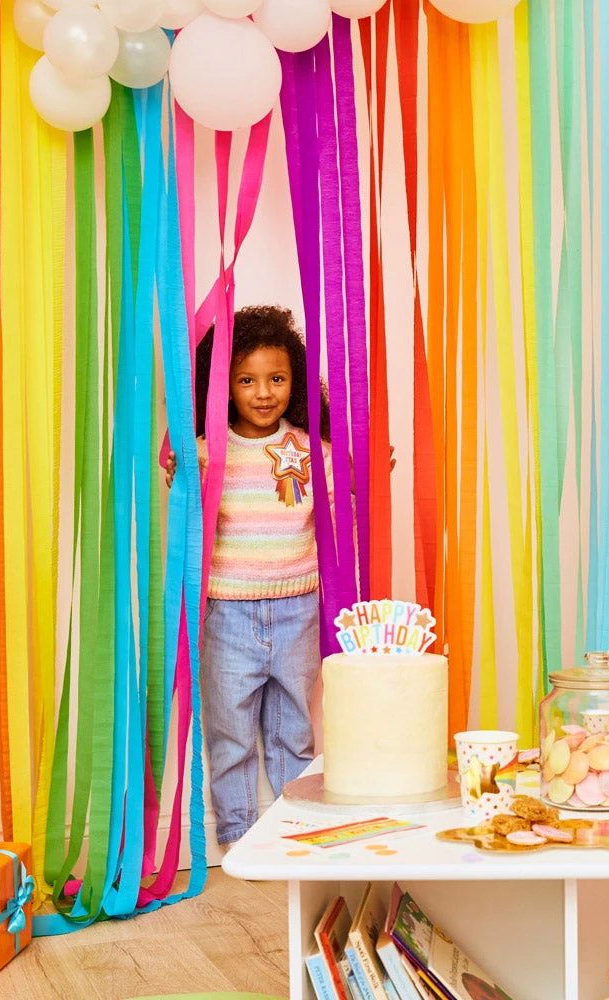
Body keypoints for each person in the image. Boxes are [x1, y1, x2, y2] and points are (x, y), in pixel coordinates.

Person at [166, 304, 333, 846]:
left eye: (276, 379)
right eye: (246, 380)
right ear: (222, 387)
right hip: (228, 613)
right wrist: (180, 477)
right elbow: (187, 510)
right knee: (230, 733)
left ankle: (294, 830)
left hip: (297, 609)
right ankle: (239, 835)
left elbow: (348, 495)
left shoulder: (308, 449)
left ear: (294, 381)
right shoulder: (206, 453)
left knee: (294, 730)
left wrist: (368, 475)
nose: (264, 393)